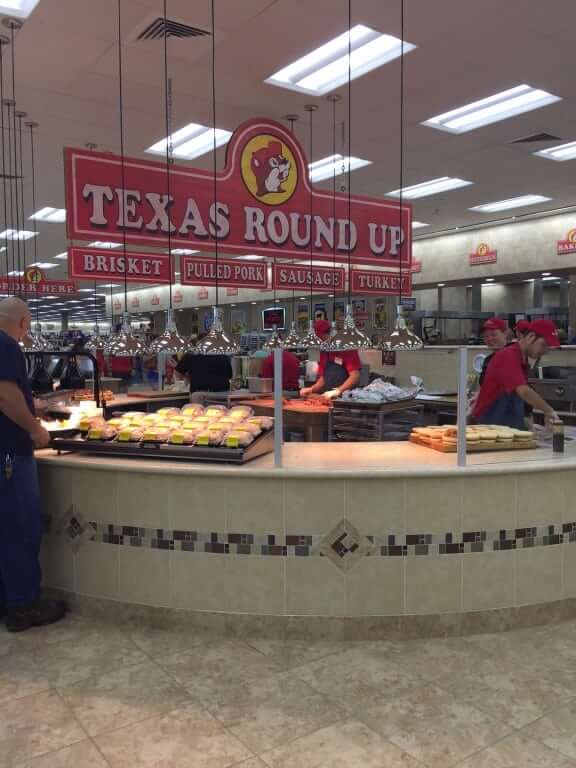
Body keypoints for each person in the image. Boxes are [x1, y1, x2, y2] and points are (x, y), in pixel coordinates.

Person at [0, 297, 66, 632]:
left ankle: (7, 599)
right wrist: (34, 427)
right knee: (19, 527)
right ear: (24, 322)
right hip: (9, 452)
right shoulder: (6, 345)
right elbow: (3, 393)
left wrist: (31, 407)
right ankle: (24, 605)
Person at [472, 319, 561, 429]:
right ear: (531, 337)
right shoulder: (509, 355)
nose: (546, 351)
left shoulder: (522, 360)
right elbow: (523, 391)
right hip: (491, 425)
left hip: (508, 424)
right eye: (544, 345)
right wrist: (549, 411)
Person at [300, 319, 362, 400]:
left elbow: (355, 375)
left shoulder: (345, 347)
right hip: (329, 396)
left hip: (347, 398)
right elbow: (323, 378)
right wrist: (311, 389)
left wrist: (338, 391)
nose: (319, 342)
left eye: (320, 338)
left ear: (328, 334)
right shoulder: (323, 351)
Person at [176, 333, 233, 399]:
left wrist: (189, 376)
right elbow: (229, 376)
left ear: (198, 343)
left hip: (200, 398)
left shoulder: (191, 355)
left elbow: (177, 374)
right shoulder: (224, 356)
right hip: (222, 398)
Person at [478, 317, 508, 386]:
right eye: (486, 336)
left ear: (505, 334)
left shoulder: (513, 357)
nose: (490, 339)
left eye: (493, 334)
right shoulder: (488, 360)